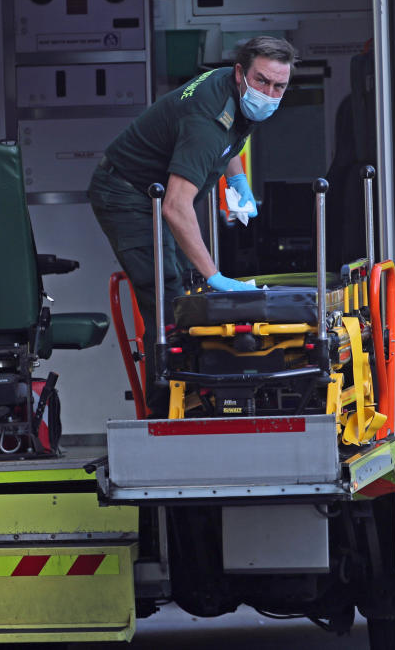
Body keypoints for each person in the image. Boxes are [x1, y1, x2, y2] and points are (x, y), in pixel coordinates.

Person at [89, 35, 297, 412]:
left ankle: (194, 394)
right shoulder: (207, 117)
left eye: (279, 86)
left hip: (151, 194)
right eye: (263, 81)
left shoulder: (238, 96)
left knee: (186, 285)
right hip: (126, 195)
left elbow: (231, 138)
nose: (269, 92)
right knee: (167, 295)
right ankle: (165, 408)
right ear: (240, 73)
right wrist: (216, 277)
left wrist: (237, 180)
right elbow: (175, 207)